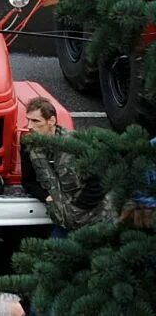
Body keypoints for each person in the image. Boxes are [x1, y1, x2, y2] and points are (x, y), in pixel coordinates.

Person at [22, 96, 107, 234]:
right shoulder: (28, 146)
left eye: (36, 121)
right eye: (28, 120)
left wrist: (77, 207)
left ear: (52, 121)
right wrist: (47, 198)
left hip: (94, 222)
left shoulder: (76, 144)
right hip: (64, 224)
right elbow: (28, 181)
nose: (30, 126)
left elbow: (99, 182)